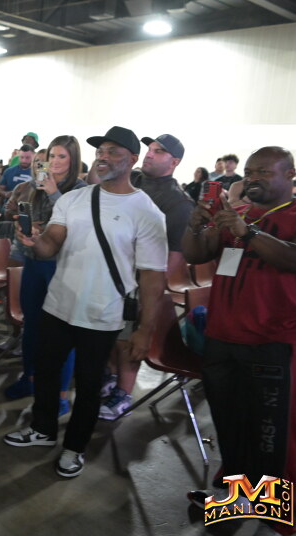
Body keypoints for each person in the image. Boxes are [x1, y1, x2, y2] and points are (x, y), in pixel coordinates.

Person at [3, 126, 166, 479]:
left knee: (89, 385)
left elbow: (153, 278)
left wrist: (145, 330)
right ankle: (43, 429)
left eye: (113, 152)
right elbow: (52, 244)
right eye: (100, 151)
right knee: (46, 372)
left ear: (132, 159)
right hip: (58, 306)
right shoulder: (74, 199)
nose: (103, 157)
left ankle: (74, 448)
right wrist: (34, 241)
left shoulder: (147, 212)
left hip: (103, 314)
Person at [182, 147, 296, 528]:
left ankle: (275, 510)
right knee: (230, 422)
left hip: (272, 340)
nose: (252, 178)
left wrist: (246, 232)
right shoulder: (240, 214)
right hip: (223, 336)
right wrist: (196, 224)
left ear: (290, 175)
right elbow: (196, 254)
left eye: (264, 171)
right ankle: (238, 497)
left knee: (271, 432)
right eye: (250, 172)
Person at [99, 133, 193, 419]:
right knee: (110, 333)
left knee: (129, 339)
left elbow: (174, 256)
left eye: (159, 151)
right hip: (110, 273)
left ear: (174, 162)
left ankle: (123, 394)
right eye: (150, 148)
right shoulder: (133, 180)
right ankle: (110, 377)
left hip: (140, 280)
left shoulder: (178, 203)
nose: (150, 154)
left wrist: (149, 293)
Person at [3, 136, 86, 417]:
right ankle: (30, 378)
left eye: (62, 156)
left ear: (73, 160)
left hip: (62, 266)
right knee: (32, 326)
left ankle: (60, 395)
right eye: (52, 156)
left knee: (61, 333)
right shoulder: (34, 186)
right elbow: (27, 218)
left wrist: (52, 192)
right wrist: (25, 228)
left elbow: (77, 226)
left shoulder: (81, 189)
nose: (55, 162)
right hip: (34, 261)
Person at [0, 145, 34, 211]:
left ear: (33, 156)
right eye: (21, 157)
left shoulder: (37, 173)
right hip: (8, 209)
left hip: (29, 210)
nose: (24, 160)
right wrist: (6, 194)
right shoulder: (9, 171)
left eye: (27, 158)